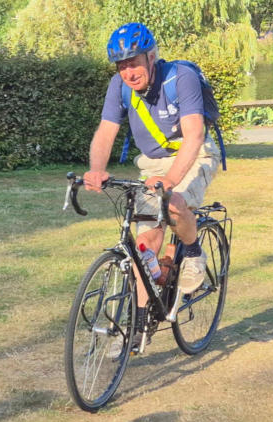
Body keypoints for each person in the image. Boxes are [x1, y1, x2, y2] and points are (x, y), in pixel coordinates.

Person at [84, 22, 220, 342]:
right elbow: (106, 132)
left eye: (133, 63)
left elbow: (195, 135)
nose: (128, 72)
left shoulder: (180, 78)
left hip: (194, 154)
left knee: (174, 206)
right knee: (144, 246)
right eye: (121, 66)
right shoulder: (118, 88)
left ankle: (194, 252)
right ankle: (138, 325)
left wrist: (171, 179)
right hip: (153, 164)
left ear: (151, 56)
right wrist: (96, 169)